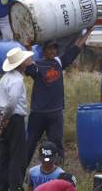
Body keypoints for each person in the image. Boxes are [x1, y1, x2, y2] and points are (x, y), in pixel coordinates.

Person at [24, 29, 93, 164]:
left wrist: (88, 32)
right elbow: (26, 61)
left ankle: (58, 172)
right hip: (38, 113)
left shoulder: (59, 62)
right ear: (43, 50)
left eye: (55, 49)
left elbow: (76, 48)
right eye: (49, 49)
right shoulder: (37, 65)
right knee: (30, 142)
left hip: (55, 113)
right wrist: (26, 45)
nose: (53, 51)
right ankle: (21, 170)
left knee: (57, 144)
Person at [0, 47, 34, 191]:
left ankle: (0, 186)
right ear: (21, 64)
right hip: (14, 118)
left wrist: (0, 117)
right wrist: (6, 118)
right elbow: (12, 102)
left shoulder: (5, 78)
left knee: (4, 152)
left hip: (5, 116)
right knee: (18, 154)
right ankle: (15, 187)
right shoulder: (17, 80)